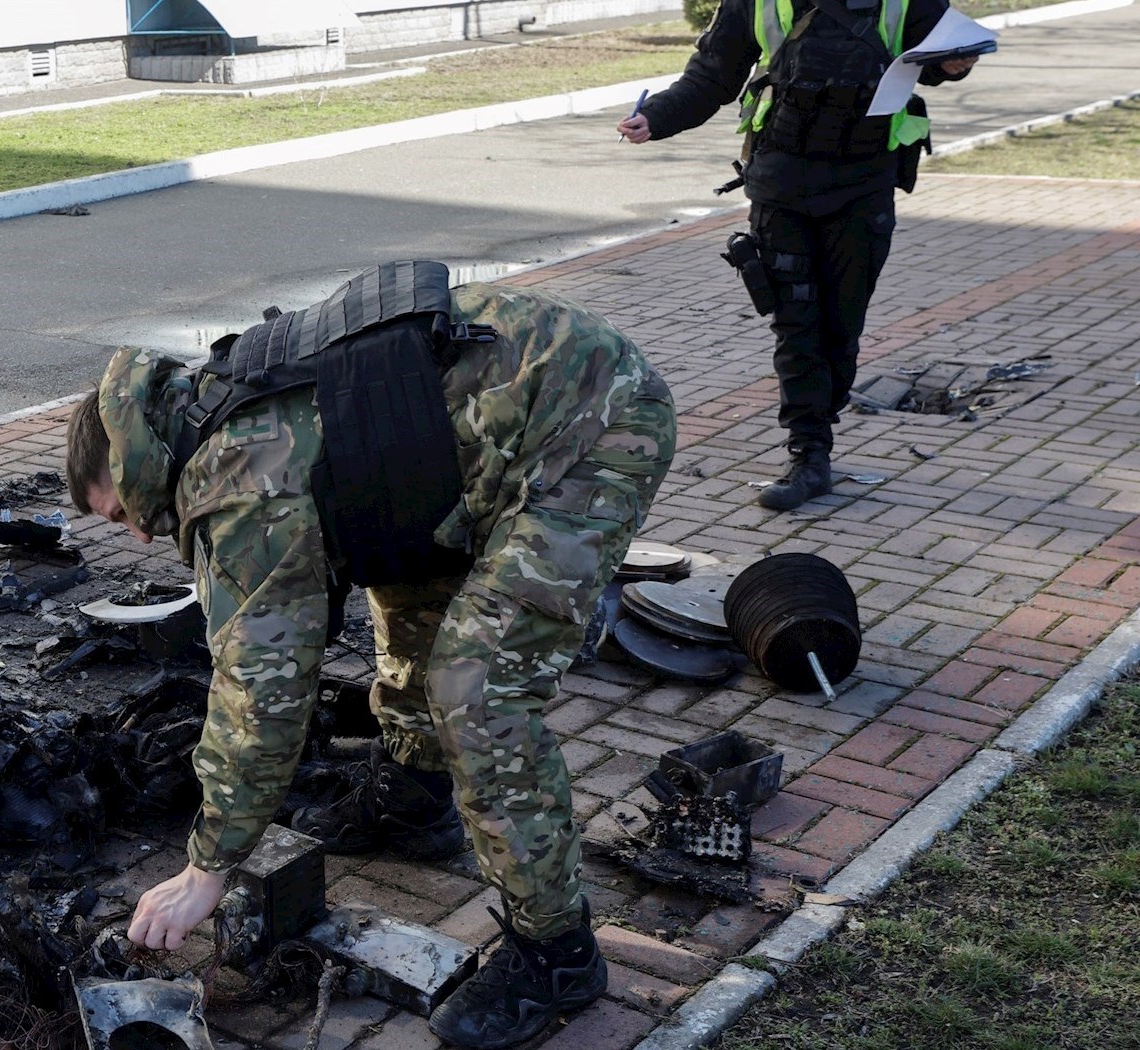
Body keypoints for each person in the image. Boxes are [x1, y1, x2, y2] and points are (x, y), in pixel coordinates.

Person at [66, 263, 677, 1049]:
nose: (139, 533)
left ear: (123, 460)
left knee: (476, 688)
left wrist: (206, 869)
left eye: (118, 514)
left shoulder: (239, 483)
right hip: (490, 437)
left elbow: (262, 693)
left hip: (589, 424)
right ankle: (416, 803)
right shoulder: (205, 407)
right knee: (403, 584)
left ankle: (556, 952)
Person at [617, 0, 978, 511]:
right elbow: (713, 76)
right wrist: (655, 116)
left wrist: (954, 64)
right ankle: (809, 453)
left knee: (840, 324)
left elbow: (938, 57)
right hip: (781, 181)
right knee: (795, 320)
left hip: (863, 183)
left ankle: (818, 432)